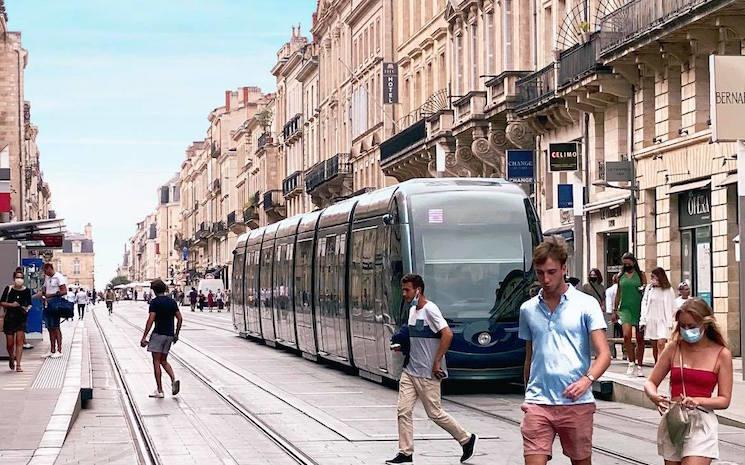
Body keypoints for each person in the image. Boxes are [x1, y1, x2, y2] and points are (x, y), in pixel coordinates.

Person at [518, 236, 611, 465]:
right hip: (538, 402)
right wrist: (527, 391)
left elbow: (604, 354)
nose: (545, 279)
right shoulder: (528, 309)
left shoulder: (585, 304)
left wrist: (587, 381)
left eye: (551, 272)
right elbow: (530, 355)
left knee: (581, 461)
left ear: (563, 268)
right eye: (540, 273)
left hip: (576, 402)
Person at [386, 274, 477, 465]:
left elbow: (447, 334)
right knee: (403, 410)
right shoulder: (413, 311)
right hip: (410, 371)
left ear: (418, 290)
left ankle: (466, 439)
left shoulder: (431, 310)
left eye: (407, 290)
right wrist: (401, 346)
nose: (404, 294)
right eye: (403, 290)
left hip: (428, 373)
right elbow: (414, 339)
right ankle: (405, 452)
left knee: (435, 413)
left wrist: (437, 362)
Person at [643, 298, 733, 465]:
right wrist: (654, 396)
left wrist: (698, 400)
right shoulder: (674, 348)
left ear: (705, 324)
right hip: (675, 420)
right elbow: (650, 382)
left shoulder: (722, 354)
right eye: (682, 326)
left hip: (701, 421)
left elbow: (724, 399)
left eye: (691, 326)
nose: (686, 330)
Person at [140, 279, 182, 399]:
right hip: (169, 335)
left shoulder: (155, 302)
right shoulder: (172, 301)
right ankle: (174, 378)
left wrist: (144, 337)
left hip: (158, 334)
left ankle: (160, 390)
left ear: (153, 290)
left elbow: (151, 320)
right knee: (164, 360)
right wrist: (176, 334)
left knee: (156, 361)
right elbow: (180, 318)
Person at [613, 252, 647, 377]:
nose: (626, 265)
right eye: (624, 263)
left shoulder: (641, 275)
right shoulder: (620, 276)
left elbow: (646, 292)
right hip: (625, 308)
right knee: (627, 335)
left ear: (634, 262)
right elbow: (618, 293)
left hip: (638, 308)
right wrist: (614, 309)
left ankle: (640, 365)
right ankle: (631, 362)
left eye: (629, 263)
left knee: (640, 338)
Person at [640, 267, 677, 363]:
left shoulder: (668, 290)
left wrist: (671, 320)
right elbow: (644, 303)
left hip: (663, 320)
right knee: (654, 345)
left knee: (661, 343)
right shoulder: (649, 289)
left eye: (654, 277)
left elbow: (673, 306)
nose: (652, 279)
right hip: (651, 319)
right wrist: (643, 320)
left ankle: (662, 364)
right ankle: (657, 364)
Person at [2, 270, 32, 372]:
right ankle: (11, 356)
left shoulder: (27, 291)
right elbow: (2, 302)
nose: (20, 280)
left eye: (21, 278)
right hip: (9, 318)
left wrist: (25, 308)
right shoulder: (9, 289)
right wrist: (11, 305)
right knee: (10, 344)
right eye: (18, 277)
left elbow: (29, 303)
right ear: (14, 278)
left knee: (19, 342)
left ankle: (18, 364)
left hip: (21, 318)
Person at [38, 263, 67, 359]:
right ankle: (52, 350)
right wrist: (42, 295)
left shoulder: (59, 277)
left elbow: (64, 291)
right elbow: (45, 290)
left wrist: (52, 295)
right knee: (50, 327)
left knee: (56, 327)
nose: (45, 273)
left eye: (46, 271)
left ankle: (59, 350)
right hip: (47, 304)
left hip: (56, 304)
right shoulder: (47, 278)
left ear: (50, 268)